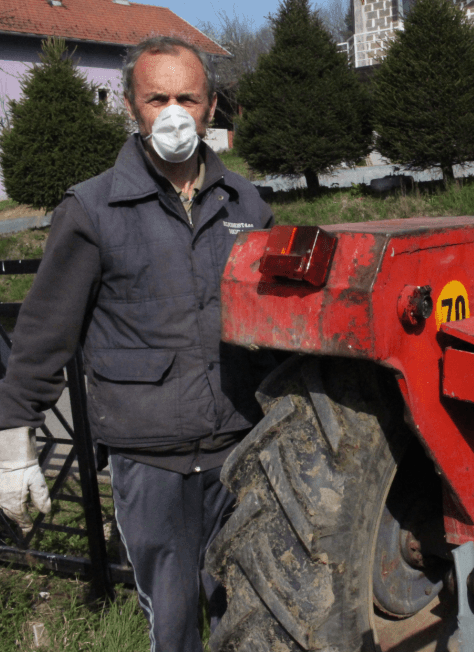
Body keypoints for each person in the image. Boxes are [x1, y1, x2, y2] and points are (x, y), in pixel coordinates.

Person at [0, 36, 274, 651]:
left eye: (188, 97)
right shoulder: (94, 208)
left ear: (209, 109)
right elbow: (45, 333)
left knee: (249, 615)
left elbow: (277, 322)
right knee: (173, 623)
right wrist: (13, 442)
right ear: (131, 105)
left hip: (240, 449)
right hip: (150, 458)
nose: (173, 112)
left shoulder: (248, 205)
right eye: (158, 98)